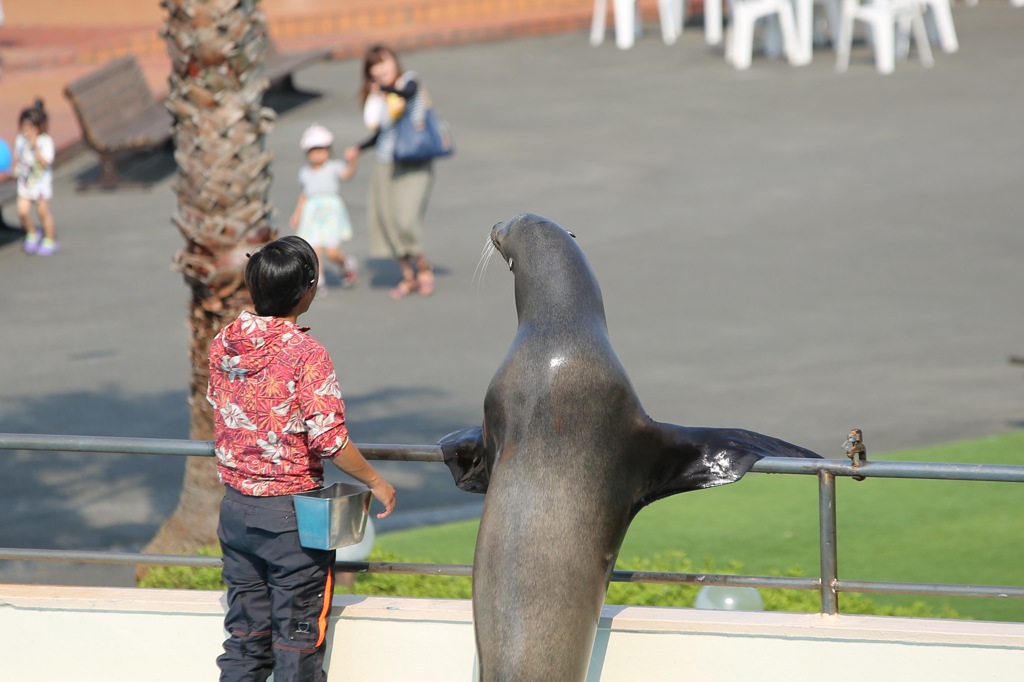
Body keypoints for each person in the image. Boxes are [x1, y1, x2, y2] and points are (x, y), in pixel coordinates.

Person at [207, 235, 397, 682]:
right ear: (307, 290)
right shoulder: (306, 353)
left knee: (245, 641)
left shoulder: (224, 343)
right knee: (296, 644)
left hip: (236, 511)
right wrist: (376, 482)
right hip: (290, 521)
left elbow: (220, 406)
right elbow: (328, 440)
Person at [344, 44, 437, 299]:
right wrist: (358, 148)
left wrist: (383, 90)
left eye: (385, 62)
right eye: (375, 65)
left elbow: (407, 93)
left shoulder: (409, 81)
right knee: (388, 223)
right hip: (386, 164)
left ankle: (424, 268)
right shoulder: (377, 99)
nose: (382, 68)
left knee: (407, 220)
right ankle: (408, 276)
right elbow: (382, 134)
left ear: (395, 62)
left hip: (415, 162)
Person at [290, 124, 359, 294]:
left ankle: (345, 263)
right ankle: (319, 281)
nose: (317, 154)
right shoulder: (304, 172)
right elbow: (304, 195)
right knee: (314, 248)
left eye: (321, 149)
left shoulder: (333, 167)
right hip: (312, 211)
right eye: (313, 150)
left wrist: (353, 162)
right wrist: (297, 214)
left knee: (332, 250)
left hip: (330, 211)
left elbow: (347, 175)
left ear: (328, 150)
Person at [14, 99, 58, 255]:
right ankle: (32, 232)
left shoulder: (45, 142)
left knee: (42, 213)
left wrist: (35, 146)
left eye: (30, 127)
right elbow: (20, 159)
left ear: (38, 127)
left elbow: (46, 163)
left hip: (40, 185)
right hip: (25, 183)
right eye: (24, 126)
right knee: (22, 211)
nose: (26, 130)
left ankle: (50, 239)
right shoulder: (20, 141)